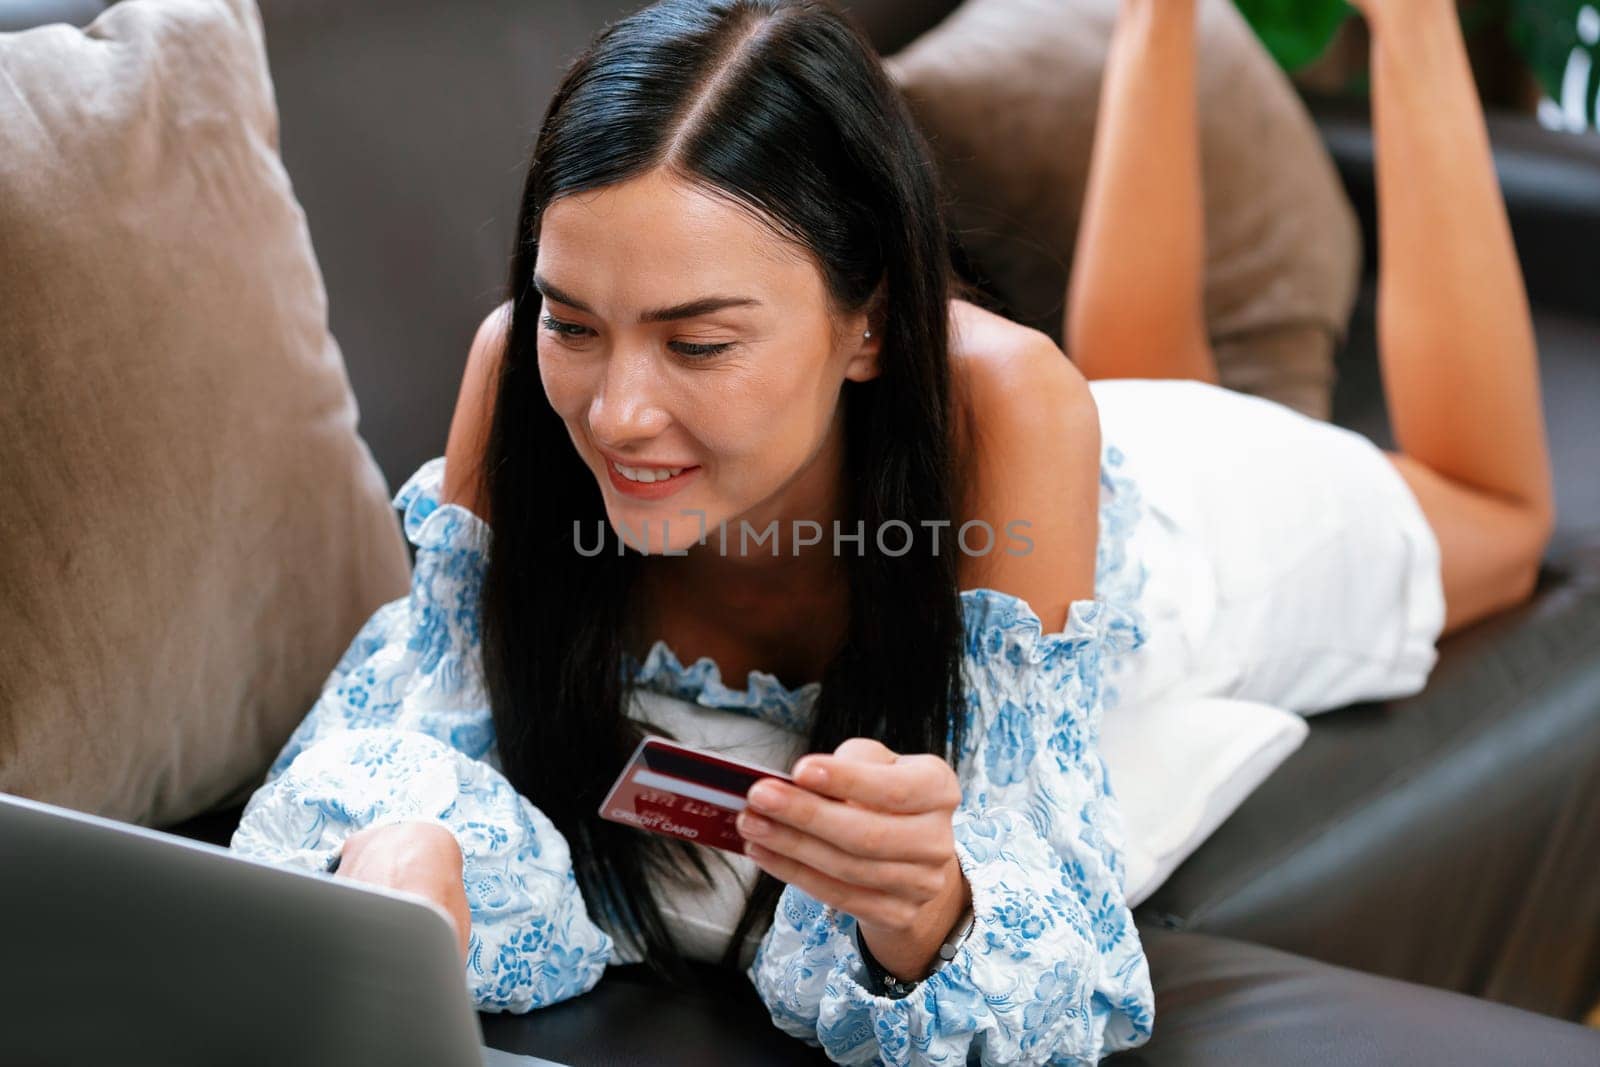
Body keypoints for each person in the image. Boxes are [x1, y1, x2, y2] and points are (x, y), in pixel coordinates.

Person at [229, 0, 1555, 1062]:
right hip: (1037, 462)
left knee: (1494, 519)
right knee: (1138, 367)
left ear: (870, 321)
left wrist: (936, 907)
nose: (616, 411)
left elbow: (1054, 921)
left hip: (1182, 524)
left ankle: (1419, 21)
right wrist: (405, 859)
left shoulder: (1014, 401)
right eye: (577, 319)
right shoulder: (518, 370)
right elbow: (413, 726)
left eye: (700, 340)